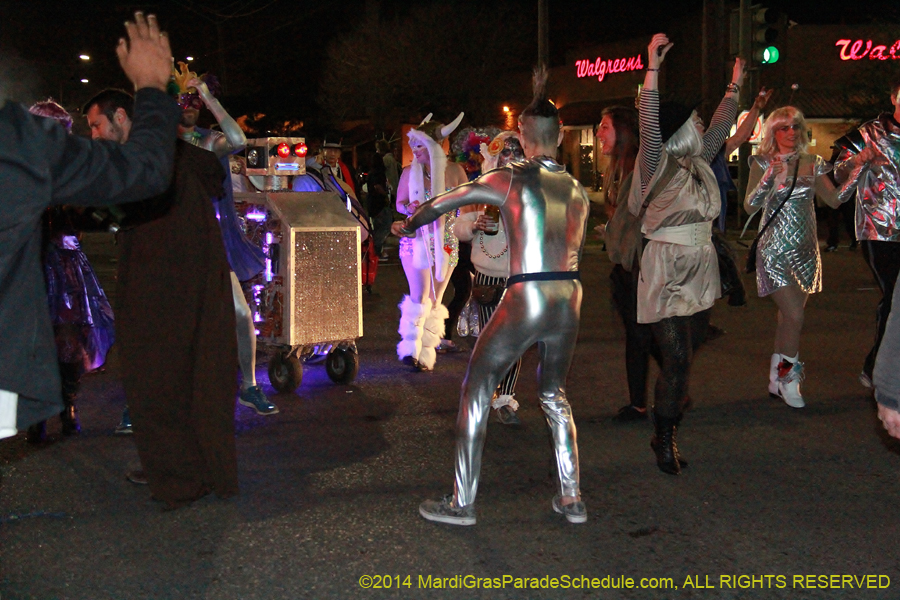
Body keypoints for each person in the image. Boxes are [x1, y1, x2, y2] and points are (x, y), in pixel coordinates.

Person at [394, 67, 590, 525]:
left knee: (477, 387)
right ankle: (572, 496)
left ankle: (462, 503)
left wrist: (412, 222)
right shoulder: (578, 188)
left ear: (522, 137)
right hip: (570, 295)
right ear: (560, 136)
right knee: (553, 393)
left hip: (528, 293)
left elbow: (448, 200)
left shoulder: (511, 178)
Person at [0, 12, 178, 442]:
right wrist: (152, 87)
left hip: (60, 271)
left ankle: (56, 406)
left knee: (70, 336)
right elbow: (144, 172)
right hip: (33, 295)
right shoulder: (20, 148)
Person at [84, 86, 240, 509]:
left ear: (121, 118)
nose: (95, 135)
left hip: (164, 295)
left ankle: (179, 477)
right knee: (190, 379)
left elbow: (152, 228)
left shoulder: (155, 166)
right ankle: (186, 468)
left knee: (161, 382)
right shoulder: (175, 159)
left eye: (97, 125)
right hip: (185, 291)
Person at [628, 34, 743, 475]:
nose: (699, 121)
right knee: (675, 358)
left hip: (700, 266)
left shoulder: (700, 159)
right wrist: (652, 68)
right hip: (668, 266)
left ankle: (667, 418)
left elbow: (719, 125)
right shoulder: (655, 160)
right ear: (679, 131)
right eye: (693, 118)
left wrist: (733, 87)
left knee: (685, 359)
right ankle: (666, 437)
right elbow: (649, 119)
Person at [170, 62, 277, 416]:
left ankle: (248, 386)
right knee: (164, 322)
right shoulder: (158, 142)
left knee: (239, 312)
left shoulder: (207, 139)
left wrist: (208, 96)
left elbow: (238, 140)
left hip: (212, 239)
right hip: (169, 243)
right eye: (183, 98)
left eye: (195, 101)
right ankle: (143, 399)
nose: (190, 105)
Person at [744, 107, 863, 408]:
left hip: (806, 251)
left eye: (795, 127)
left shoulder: (813, 162)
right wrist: (770, 174)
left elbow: (834, 201)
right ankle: (789, 380)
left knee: (788, 320)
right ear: (773, 132)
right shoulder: (761, 161)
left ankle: (775, 377)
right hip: (773, 250)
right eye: (783, 128)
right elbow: (749, 206)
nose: (791, 132)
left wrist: (856, 173)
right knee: (795, 316)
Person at [25, 101, 117, 443]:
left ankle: (66, 407)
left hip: (64, 265)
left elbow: (95, 215)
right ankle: (37, 414)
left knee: (68, 339)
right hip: (31, 264)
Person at [452, 131, 526, 425]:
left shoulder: (529, 189)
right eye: (504, 152)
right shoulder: (482, 188)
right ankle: (485, 394)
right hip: (486, 278)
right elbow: (458, 225)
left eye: (515, 151)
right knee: (488, 341)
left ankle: (505, 399)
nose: (510, 157)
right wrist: (473, 225)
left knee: (514, 341)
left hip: (519, 276)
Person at [834, 80, 900, 389]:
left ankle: (880, 362)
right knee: (893, 295)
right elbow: (837, 172)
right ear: (894, 97)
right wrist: (858, 160)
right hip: (880, 229)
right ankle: (877, 367)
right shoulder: (870, 132)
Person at [598, 106, 660, 423]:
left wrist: (611, 232)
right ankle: (672, 385)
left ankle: (640, 403)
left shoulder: (636, 168)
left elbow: (629, 221)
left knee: (639, 335)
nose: (598, 133)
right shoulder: (619, 168)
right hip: (630, 262)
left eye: (605, 126)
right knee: (642, 334)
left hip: (639, 264)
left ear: (621, 131)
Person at [395, 113, 467, 372]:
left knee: (436, 300)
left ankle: (426, 354)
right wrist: (410, 209)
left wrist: (452, 211)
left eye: (421, 145)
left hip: (446, 243)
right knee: (420, 295)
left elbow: (465, 205)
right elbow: (399, 203)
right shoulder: (408, 172)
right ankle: (410, 349)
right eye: (414, 145)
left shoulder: (456, 172)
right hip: (416, 242)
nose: (415, 150)